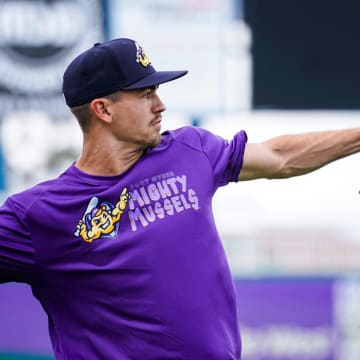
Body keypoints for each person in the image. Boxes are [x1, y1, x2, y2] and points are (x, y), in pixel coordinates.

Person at [0, 38, 359, 360]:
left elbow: (280, 157)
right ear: (103, 110)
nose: (160, 105)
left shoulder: (189, 152)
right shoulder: (37, 215)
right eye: (144, 95)